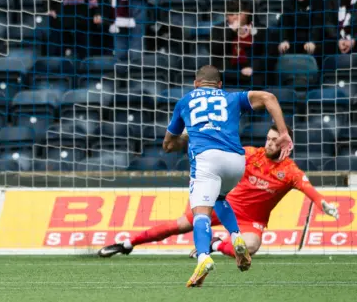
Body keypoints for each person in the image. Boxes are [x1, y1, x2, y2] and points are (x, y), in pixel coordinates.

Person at [104, 65, 292, 288]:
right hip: (236, 161)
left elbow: (167, 144)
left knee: (200, 212)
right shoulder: (232, 98)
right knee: (220, 199)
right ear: (220, 85)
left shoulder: (186, 101)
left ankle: (203, 257)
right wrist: (283, 133)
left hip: (207, 160)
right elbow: (269, 97)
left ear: (196, 84)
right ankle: (236, 236)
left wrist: (182, 140)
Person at [98, 125, 339, 259]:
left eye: (274, 141)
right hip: (223, 207)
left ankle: (214, 245)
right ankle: (127, 244)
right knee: (179, 225)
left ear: (285, 145)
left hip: (251, 220)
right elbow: (220, 150)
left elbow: (309, 190)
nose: (269, 143)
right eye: (268, 138)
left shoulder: (290, 171)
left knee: (250, 247)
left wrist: (323, 204)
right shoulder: (249, 153)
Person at [210, 0, 270, 88]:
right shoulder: (218, 29)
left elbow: (268, 52)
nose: (235, 17)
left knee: (258, 81)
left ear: (247, 13)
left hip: (251, 72)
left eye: (238, 13)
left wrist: (253, 68)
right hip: (227, 72)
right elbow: (215, 50)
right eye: (231, 14)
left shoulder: (261, 29)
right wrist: (231, 31)